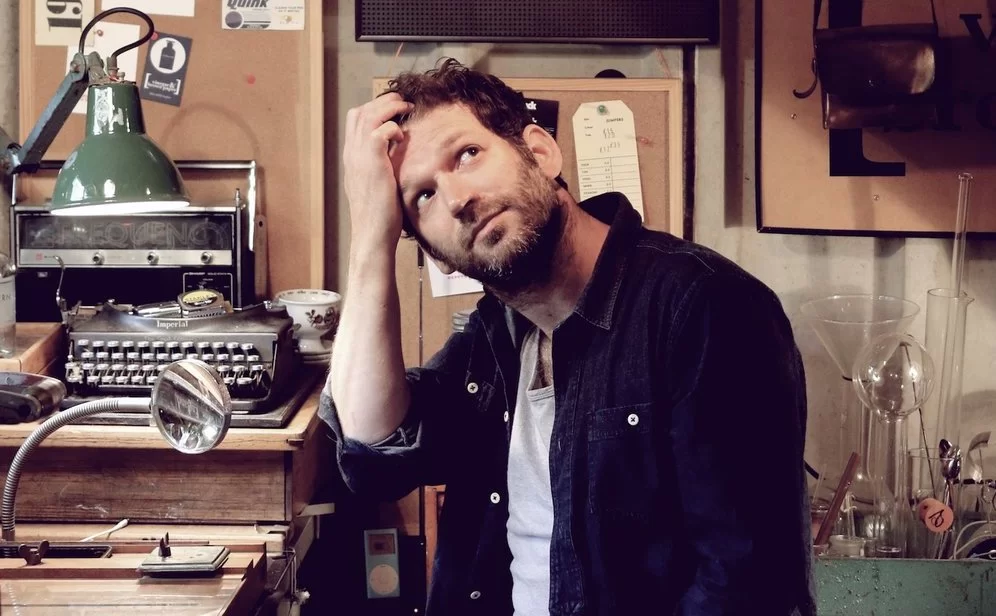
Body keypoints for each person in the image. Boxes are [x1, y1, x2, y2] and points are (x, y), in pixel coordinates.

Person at [323, 58, 815, 616]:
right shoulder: (495, 336)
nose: (456, 197)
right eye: (423, 198)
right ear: (431, 250)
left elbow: (744, 585)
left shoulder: (703, 306)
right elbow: (374, 455)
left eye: (467, 154)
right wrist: (369, 234)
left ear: (541, 151)